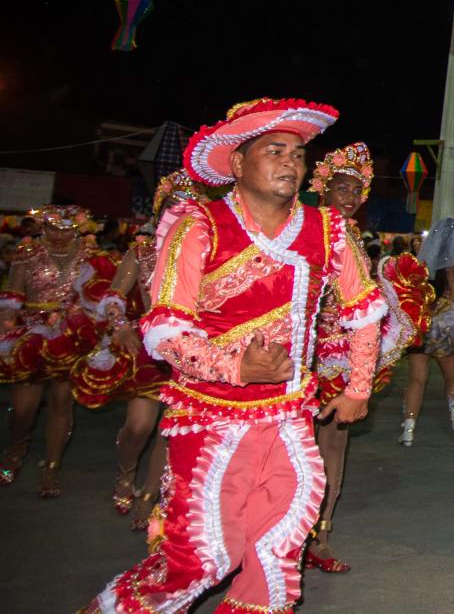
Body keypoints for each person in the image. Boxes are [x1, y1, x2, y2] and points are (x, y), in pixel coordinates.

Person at [85, 97, 386, 613]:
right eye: (275, 150)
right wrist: (235, 367)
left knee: (277, 551)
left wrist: (358, 387)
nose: (292, 161)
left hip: (290, 417)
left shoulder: (328, 229)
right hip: (209, 418)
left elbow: (364, 310)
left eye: (297, 153)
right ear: (238, 163)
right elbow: (163, 327)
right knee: (198, 558)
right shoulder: (196, 223)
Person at [305, 143, 426, 574]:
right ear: (322, 187)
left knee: (335, 443)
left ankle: (321, 532)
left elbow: (363, 297)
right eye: (342, 187)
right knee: (293, 450)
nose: (351, 196)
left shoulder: (354, 234)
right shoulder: (305, 229)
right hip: (302, 355)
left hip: (343, 354)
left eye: (357, 189)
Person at [72, 172, 209, 531]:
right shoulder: (142, 251)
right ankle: (125, 471)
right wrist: (122, 328)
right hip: (150, 350)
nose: (178, 214)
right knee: (138, 426)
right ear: (159, 212)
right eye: (171, 208)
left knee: (171, 428)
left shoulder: (206, 251)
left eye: (186, 209)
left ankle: (150, 496)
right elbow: (114, 296)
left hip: (193, 350)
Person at [0, 204, 118, 496]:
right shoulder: (28, 254)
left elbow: (101, 295)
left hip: (72, 335)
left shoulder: (91, 256)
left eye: (67, 230)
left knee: (62, 403)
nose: (60, 236)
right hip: (32, 336)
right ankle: (16, 448)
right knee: (23, 408)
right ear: (43, 227)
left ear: (77, 228)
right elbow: (13, 295)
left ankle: (51, 467)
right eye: (53, 228)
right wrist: (6, 319)